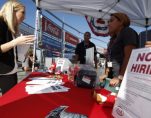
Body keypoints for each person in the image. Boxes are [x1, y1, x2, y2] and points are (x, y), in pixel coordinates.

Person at [0, 1, 35, 95]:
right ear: (12, 11)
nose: (25, 17)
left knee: (10, 100)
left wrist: (23, 47)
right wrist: (15, 42)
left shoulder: (11, 28)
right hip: (4, 71)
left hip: (10, 71)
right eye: (22, 12)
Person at [107, 12, 139, 87]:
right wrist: (107, 73)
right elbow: (110, 58)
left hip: (123, 80)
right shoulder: (113, 39)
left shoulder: (127, 31)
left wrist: (120, 77)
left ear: (121, 22)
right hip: (113, 78)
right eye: (108, 22)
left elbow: (130, 56)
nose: (108, 24)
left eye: (111, 21)